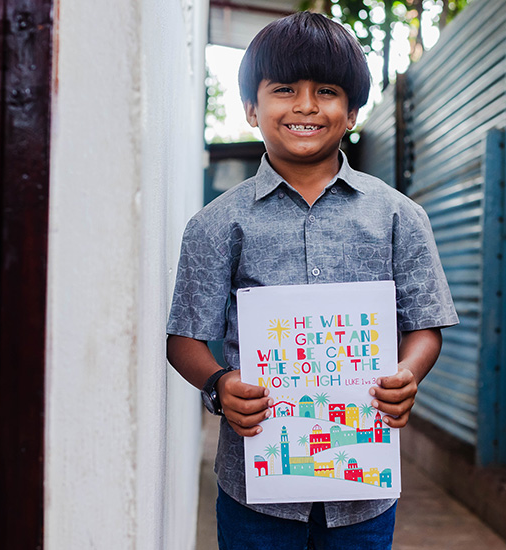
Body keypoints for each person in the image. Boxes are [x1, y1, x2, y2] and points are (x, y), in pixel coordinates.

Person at [166, 11, 458, 550]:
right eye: (284, 90)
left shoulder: (399, 216)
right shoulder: (216, 223)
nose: (305, 106)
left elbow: (425, 325)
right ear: (252, 109)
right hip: (255, 487)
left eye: (326, 91)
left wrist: (406, 375)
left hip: (362, 490)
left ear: (350, 112)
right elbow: (184, 339)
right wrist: (218, 385)